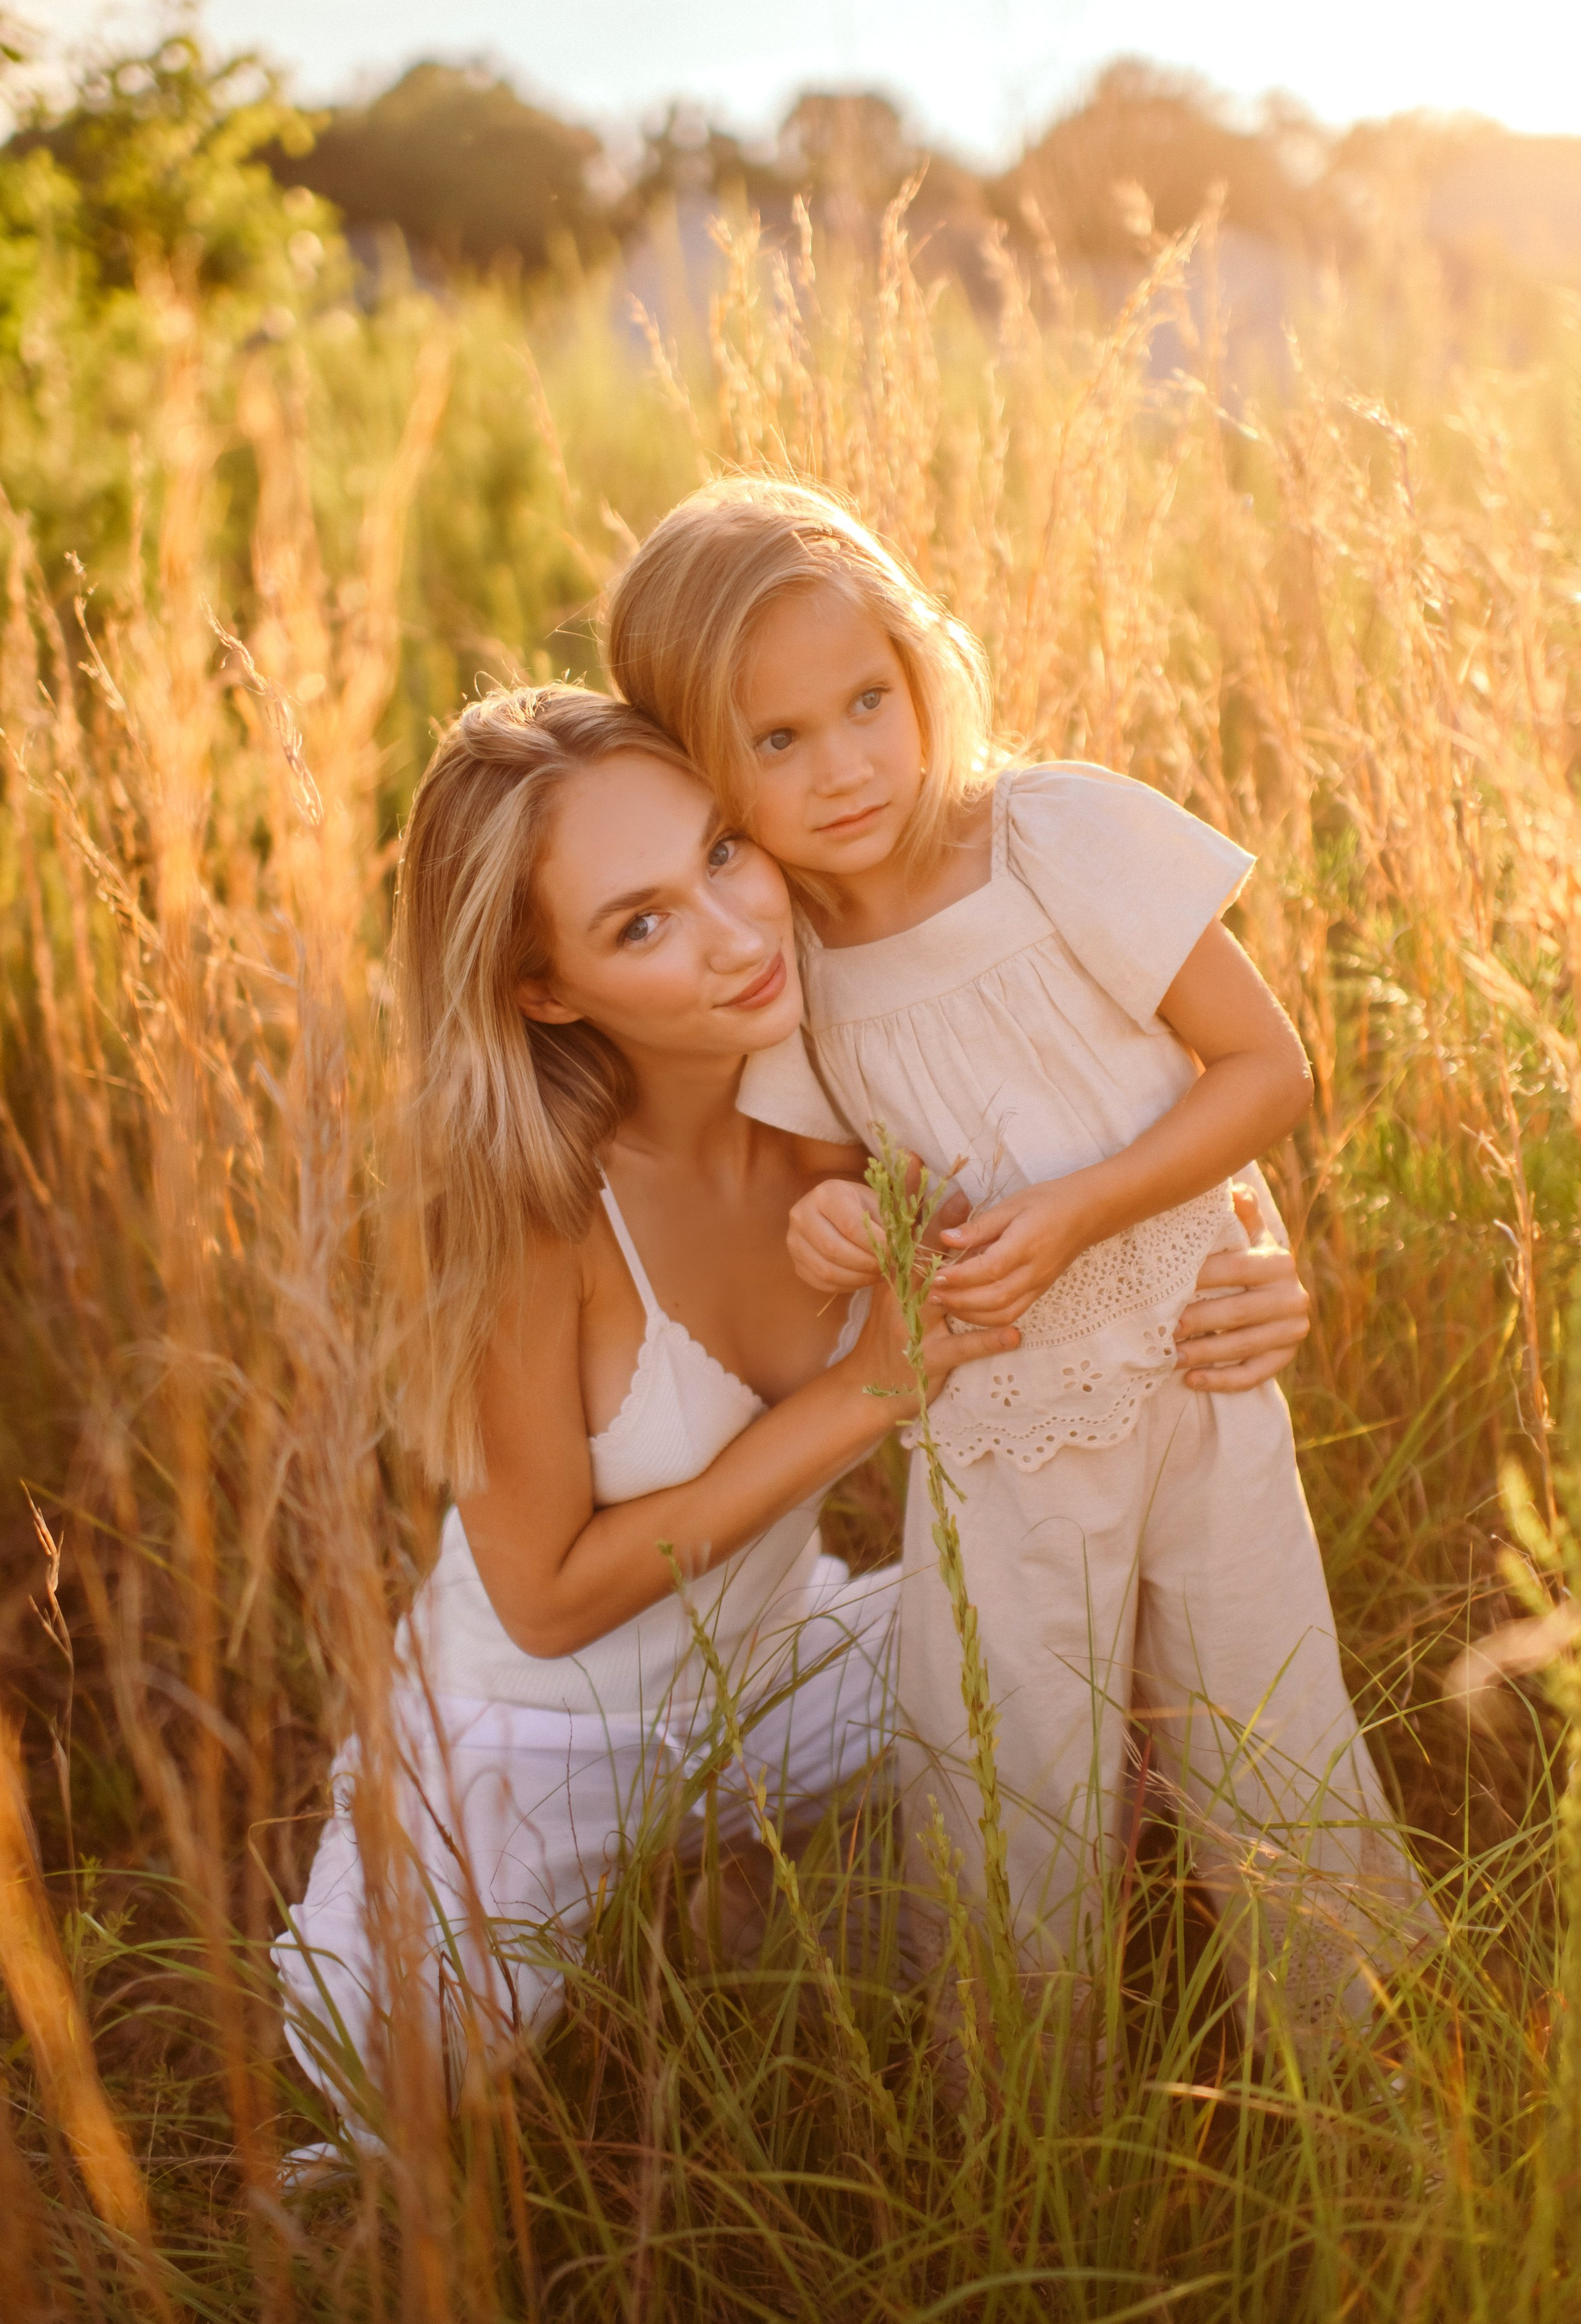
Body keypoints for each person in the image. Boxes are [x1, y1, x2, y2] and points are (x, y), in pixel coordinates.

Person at [274, 685, 1316, 2139]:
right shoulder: (527, 1217)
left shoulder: (853, 1076)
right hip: (536, 1744)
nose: (735, 934)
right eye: (639, 924)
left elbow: (1117, 1177)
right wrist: (863, 1394)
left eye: (718, 854)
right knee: (383, 2062)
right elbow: (549, 1597)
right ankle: (599, 1906)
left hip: (789, 1668)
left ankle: (779, 1915)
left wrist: (1255, 1283)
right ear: (545, 988)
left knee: (1114, 1647)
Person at [605, 478, 1432, 2046]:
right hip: (996, 1432)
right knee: (1015, 1781)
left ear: (922, 674)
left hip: (1190, 1373)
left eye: (868, 701)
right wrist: (833, 1228)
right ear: (703, 771)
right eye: (776, 742)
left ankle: (1360, 2076)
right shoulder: (791, 964)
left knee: (1269, 1732)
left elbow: (1261, 1070)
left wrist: (1088, 1208)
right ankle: (1024, 2121)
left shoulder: (1053, 836)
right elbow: (842, 1194)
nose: (845, 765)